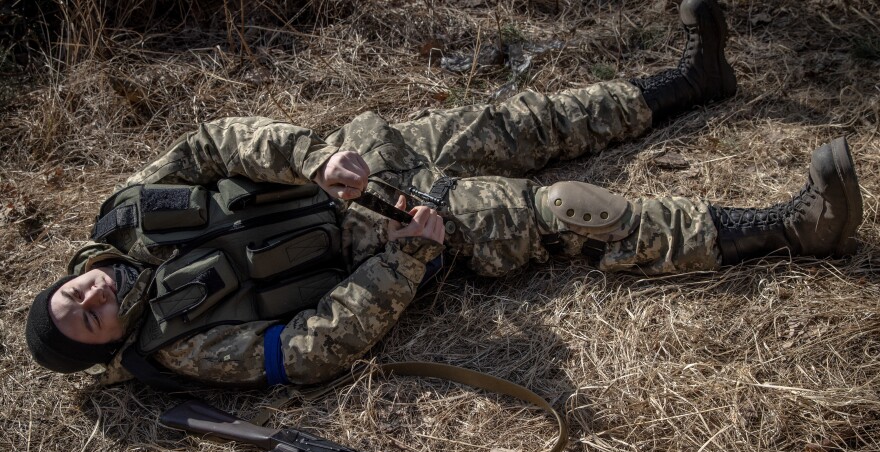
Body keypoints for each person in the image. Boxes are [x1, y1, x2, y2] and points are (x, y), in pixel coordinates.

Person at [25, 0, 862, 390]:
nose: (93, 294)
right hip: (394, 234)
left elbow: (214, 143)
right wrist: (407, 258)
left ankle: (692, 79)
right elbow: (308, 351)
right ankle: (790, 228)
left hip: (371, 159)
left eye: (74, 292)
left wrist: (315, 157)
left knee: (532, 120)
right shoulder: (182, 347)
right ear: (106, 348)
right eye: (90, 318)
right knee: (570, 212)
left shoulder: (125, 211)